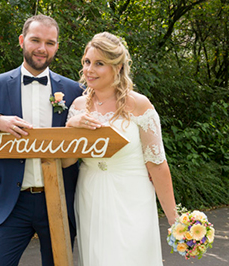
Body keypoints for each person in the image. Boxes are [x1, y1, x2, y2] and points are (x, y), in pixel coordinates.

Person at [0, 15, 83, 266]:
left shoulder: (74, 90)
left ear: (57, 47)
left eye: (50, 42)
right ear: (22, 41)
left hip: (58, 201)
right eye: (35, 40)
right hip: (9, 203)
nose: (42, 48)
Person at [63, 32, 179, 266]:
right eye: (87, 62)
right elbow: (67, 162)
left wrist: (174, 219)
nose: (89, 70)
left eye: (99, 63)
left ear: (117, 67)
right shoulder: (77, 106)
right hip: (91, 195)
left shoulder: (139, 105)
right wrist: (71, 126)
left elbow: (157, 164)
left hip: (132, 197)